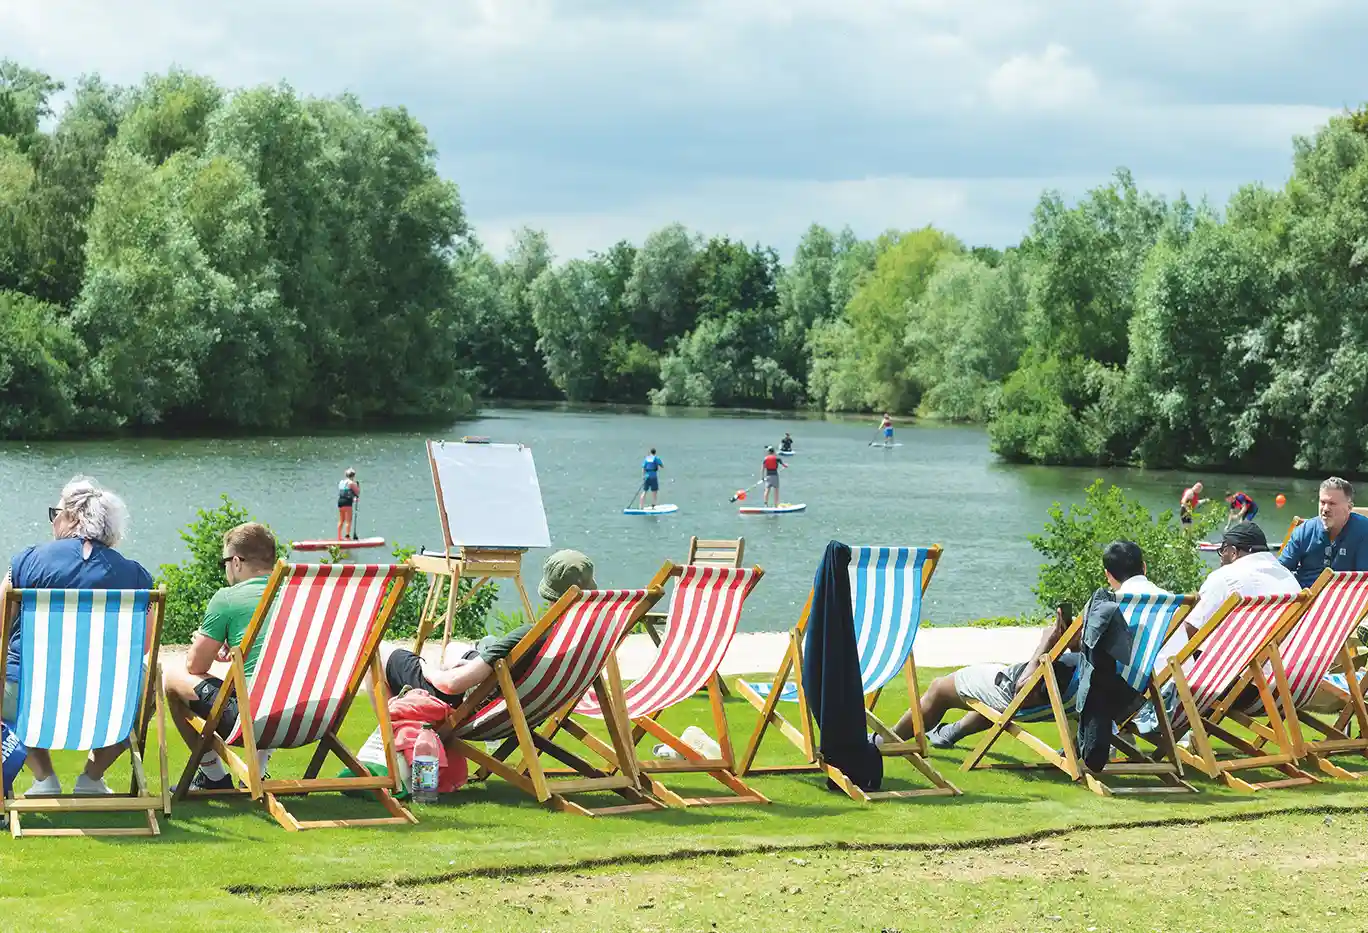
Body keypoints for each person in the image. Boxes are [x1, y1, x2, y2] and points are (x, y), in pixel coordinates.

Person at [889, 541, 1164, 749]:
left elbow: (1024, 688)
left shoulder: (1107, 606)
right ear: (1144, 568)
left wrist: (1048, 641)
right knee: (1004, 687)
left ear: (1107, 574)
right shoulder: (1166, 605)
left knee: (941, 687)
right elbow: (1098, 661)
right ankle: (951, 733)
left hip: (1058, 693)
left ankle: (884, 742)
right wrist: (1073, 643)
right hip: (1116, 697)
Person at [1, 476, 154, 796]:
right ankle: (91, 778)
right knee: (149, 685)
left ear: (72, 516)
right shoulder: (136, 575)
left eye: (55, 512)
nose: (53, 520)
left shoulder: (27, 562)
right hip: (109, 704)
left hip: (27, 697)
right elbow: (147, 646)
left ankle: (44, 779)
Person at [1135, 522, 1300, 736]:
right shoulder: (1287, 577)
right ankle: (1190, 735)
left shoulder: (1227, 577)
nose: (1221, 558)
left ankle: (1136, 725)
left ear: (1232, 551)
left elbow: (1191, 631)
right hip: (1289, 683)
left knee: (1160, 653)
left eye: (1222, 551)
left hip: (1241, 688)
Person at [378, 549, 597, 708]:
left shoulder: (531, 635)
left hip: (473, 702)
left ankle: (389, 743)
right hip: (525, 706)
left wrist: (427, 668)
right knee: (455, 647)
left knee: (380, 651)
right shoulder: (588, 634)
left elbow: (452, 685)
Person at [164, 522, 279, 791]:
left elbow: (196, 665)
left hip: (255, 721)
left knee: (173, 678)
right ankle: (256, 772)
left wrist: (208, 647)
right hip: (310, 717)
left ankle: (213, 776)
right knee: (265, 685)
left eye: (224, 562)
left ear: (237, 562)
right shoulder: (300, 594)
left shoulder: (228, 598)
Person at [1278, 477, 1368, 588]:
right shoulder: (1305, 530)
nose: (1325, 509)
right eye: (1322, 502)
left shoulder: (1363, 531)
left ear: (1349, 508)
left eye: (1332, 504)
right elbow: (1280, 571)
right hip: (1304, 598)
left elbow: (1364, 581)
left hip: (1346, 598)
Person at [336, 468, 360, 540]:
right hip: (347, 502)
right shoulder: (351, 483)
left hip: (340, 502)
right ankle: (347, 537)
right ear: (353, 476)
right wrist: (357, 486)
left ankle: (339, 537)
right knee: (348, 520)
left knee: (341, 520)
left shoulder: (341, 482)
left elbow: (345, 492)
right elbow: (357, 492)